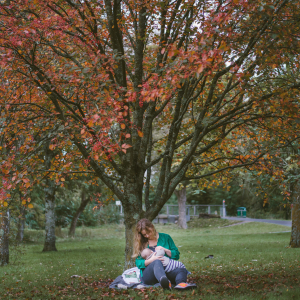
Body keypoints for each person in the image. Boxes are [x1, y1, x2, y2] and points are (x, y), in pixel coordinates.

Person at [132, 218, 196, 290]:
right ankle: (164, 281)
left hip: (167, 272)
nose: (147, 235)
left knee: (181, 269)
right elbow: (138, 263)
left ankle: (180, 284)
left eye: (148, 232)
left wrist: (165, 250)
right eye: (144, 234)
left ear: (152, 227)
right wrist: (152, 260)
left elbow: (176, 255)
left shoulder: (166, 237)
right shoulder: (142, 243)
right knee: (157, 261)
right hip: (149, 275)